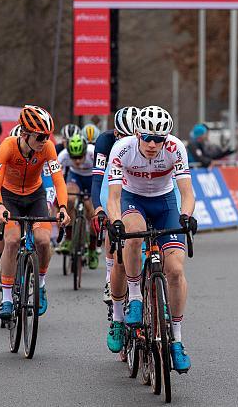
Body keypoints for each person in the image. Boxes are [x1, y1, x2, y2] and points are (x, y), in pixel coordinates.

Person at [106, 105, 196, 372]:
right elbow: (113, 197)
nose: (153, 144)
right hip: (132, 199)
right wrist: (116, 221)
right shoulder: (122, 149)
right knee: (133, 236)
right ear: (137, 133)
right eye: (148, 138)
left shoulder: (176, 148)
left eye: (160, 139)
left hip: (165, 203)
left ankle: (177, 341)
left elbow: (187, 192)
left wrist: (186, 215)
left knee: (176, 271)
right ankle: (134, 298)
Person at [0, 105, 70, 321]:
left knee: (44, 241)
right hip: (9, 197)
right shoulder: (7, 147)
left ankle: (41, 284)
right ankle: (7, 298)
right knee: (13, 240)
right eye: (40, 136)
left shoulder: (48, 148)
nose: (45, 140)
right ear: (25, 134)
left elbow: (58, 181)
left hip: (35, 196)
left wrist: (62, 207)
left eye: (48, 135)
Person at [91, 106, 140, 305]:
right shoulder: (105, 141)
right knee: (113, 225)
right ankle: (109, 276)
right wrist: (99, 209)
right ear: (116, 133)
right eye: (124, 137)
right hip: (113, 185)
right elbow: (98, 180)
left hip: (140, 187)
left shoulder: (148, 141)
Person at [0, 125, 22, 290]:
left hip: (29, 197)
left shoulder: (36, 157)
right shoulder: (6, 153)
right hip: (8, 195)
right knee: (4, 227)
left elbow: (47, 184)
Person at [55, 133, 98, 268]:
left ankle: (92, 249)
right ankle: (68, 238)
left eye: (80, 157)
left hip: (92, 178)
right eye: (74, 158)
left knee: (92, 212)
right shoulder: (63, 156)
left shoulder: (93, 153)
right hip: (75, 177)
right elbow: (57, 179)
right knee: (69, 199)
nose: (78, 161)